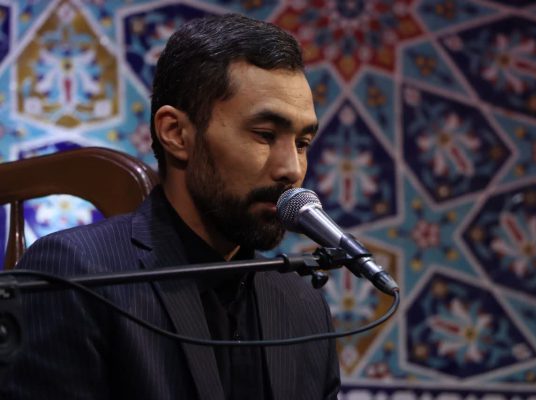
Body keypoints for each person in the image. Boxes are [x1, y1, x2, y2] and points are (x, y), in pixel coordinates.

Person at [1, 14, 340, 400]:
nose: (292, 169)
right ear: (176, 133)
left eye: (302, 143)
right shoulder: (77, 271)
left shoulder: (302, 304)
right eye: (265, 135)